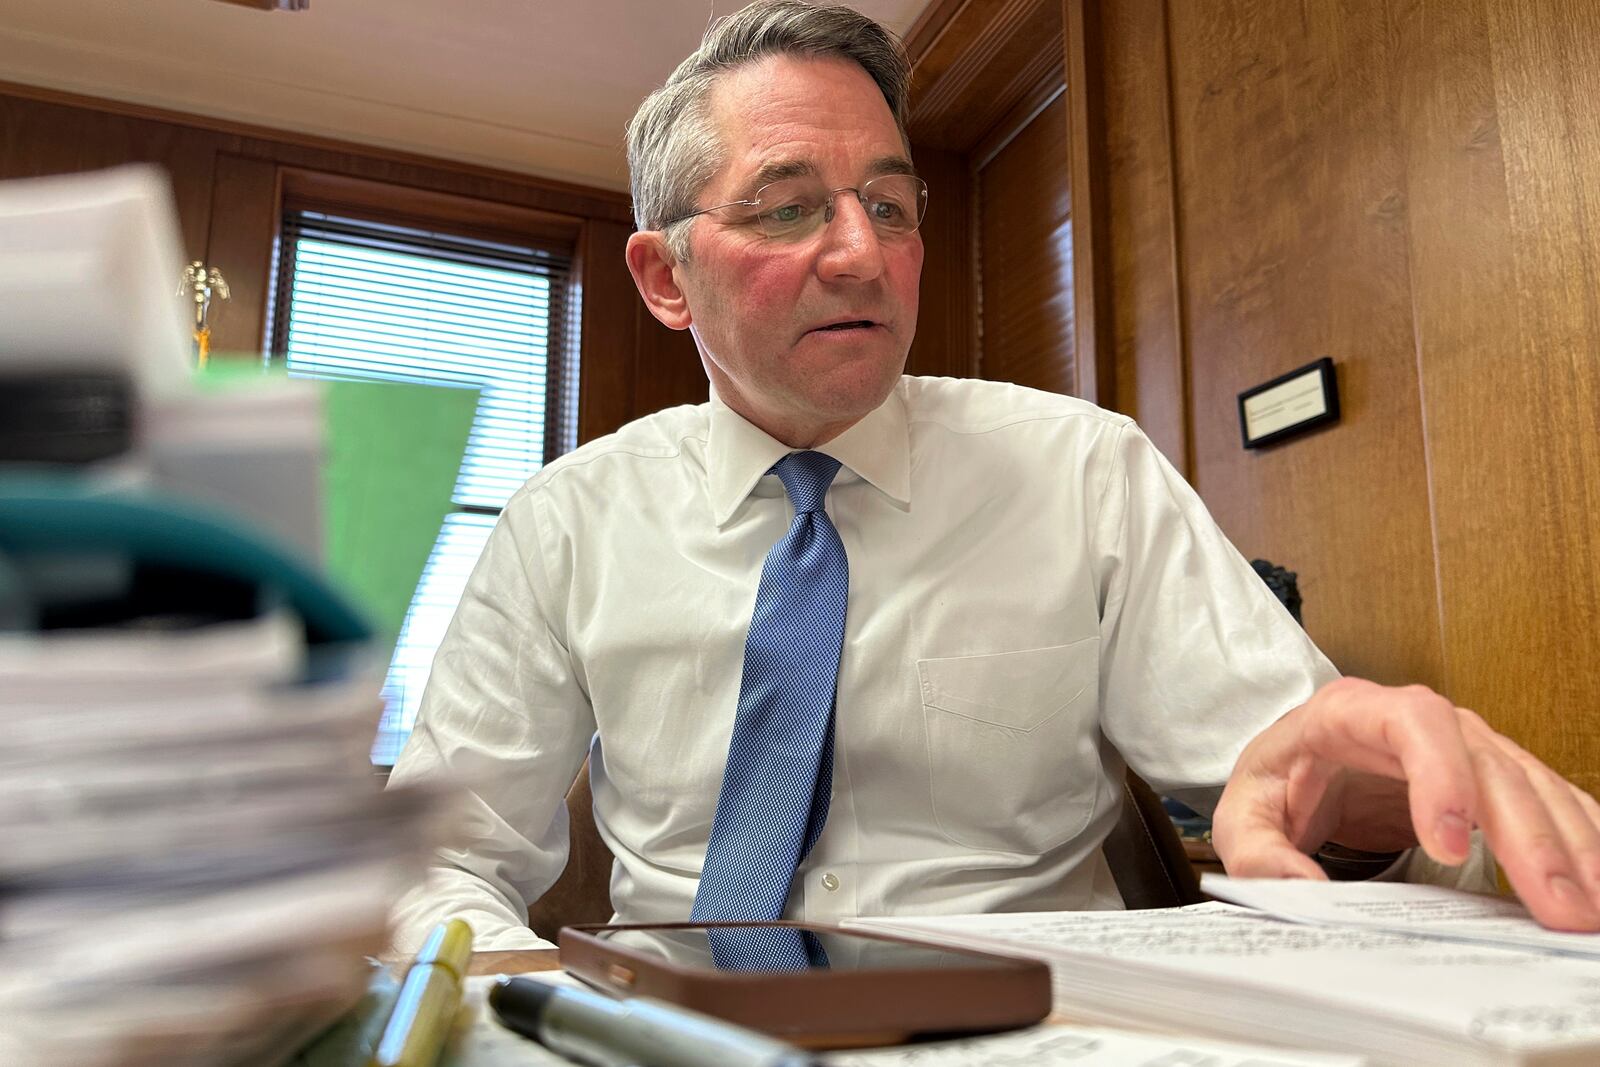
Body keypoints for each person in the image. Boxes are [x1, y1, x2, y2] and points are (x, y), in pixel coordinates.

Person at [388, 0, 1600, 951]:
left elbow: (1290, 771)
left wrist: (1391, 780)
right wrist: (503, 992)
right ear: (664, 278)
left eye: (889, 204)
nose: (861, 253)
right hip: (681, 1032)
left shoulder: (1083, 469)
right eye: (788, 207)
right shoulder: (564, 523)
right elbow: (441, 855)